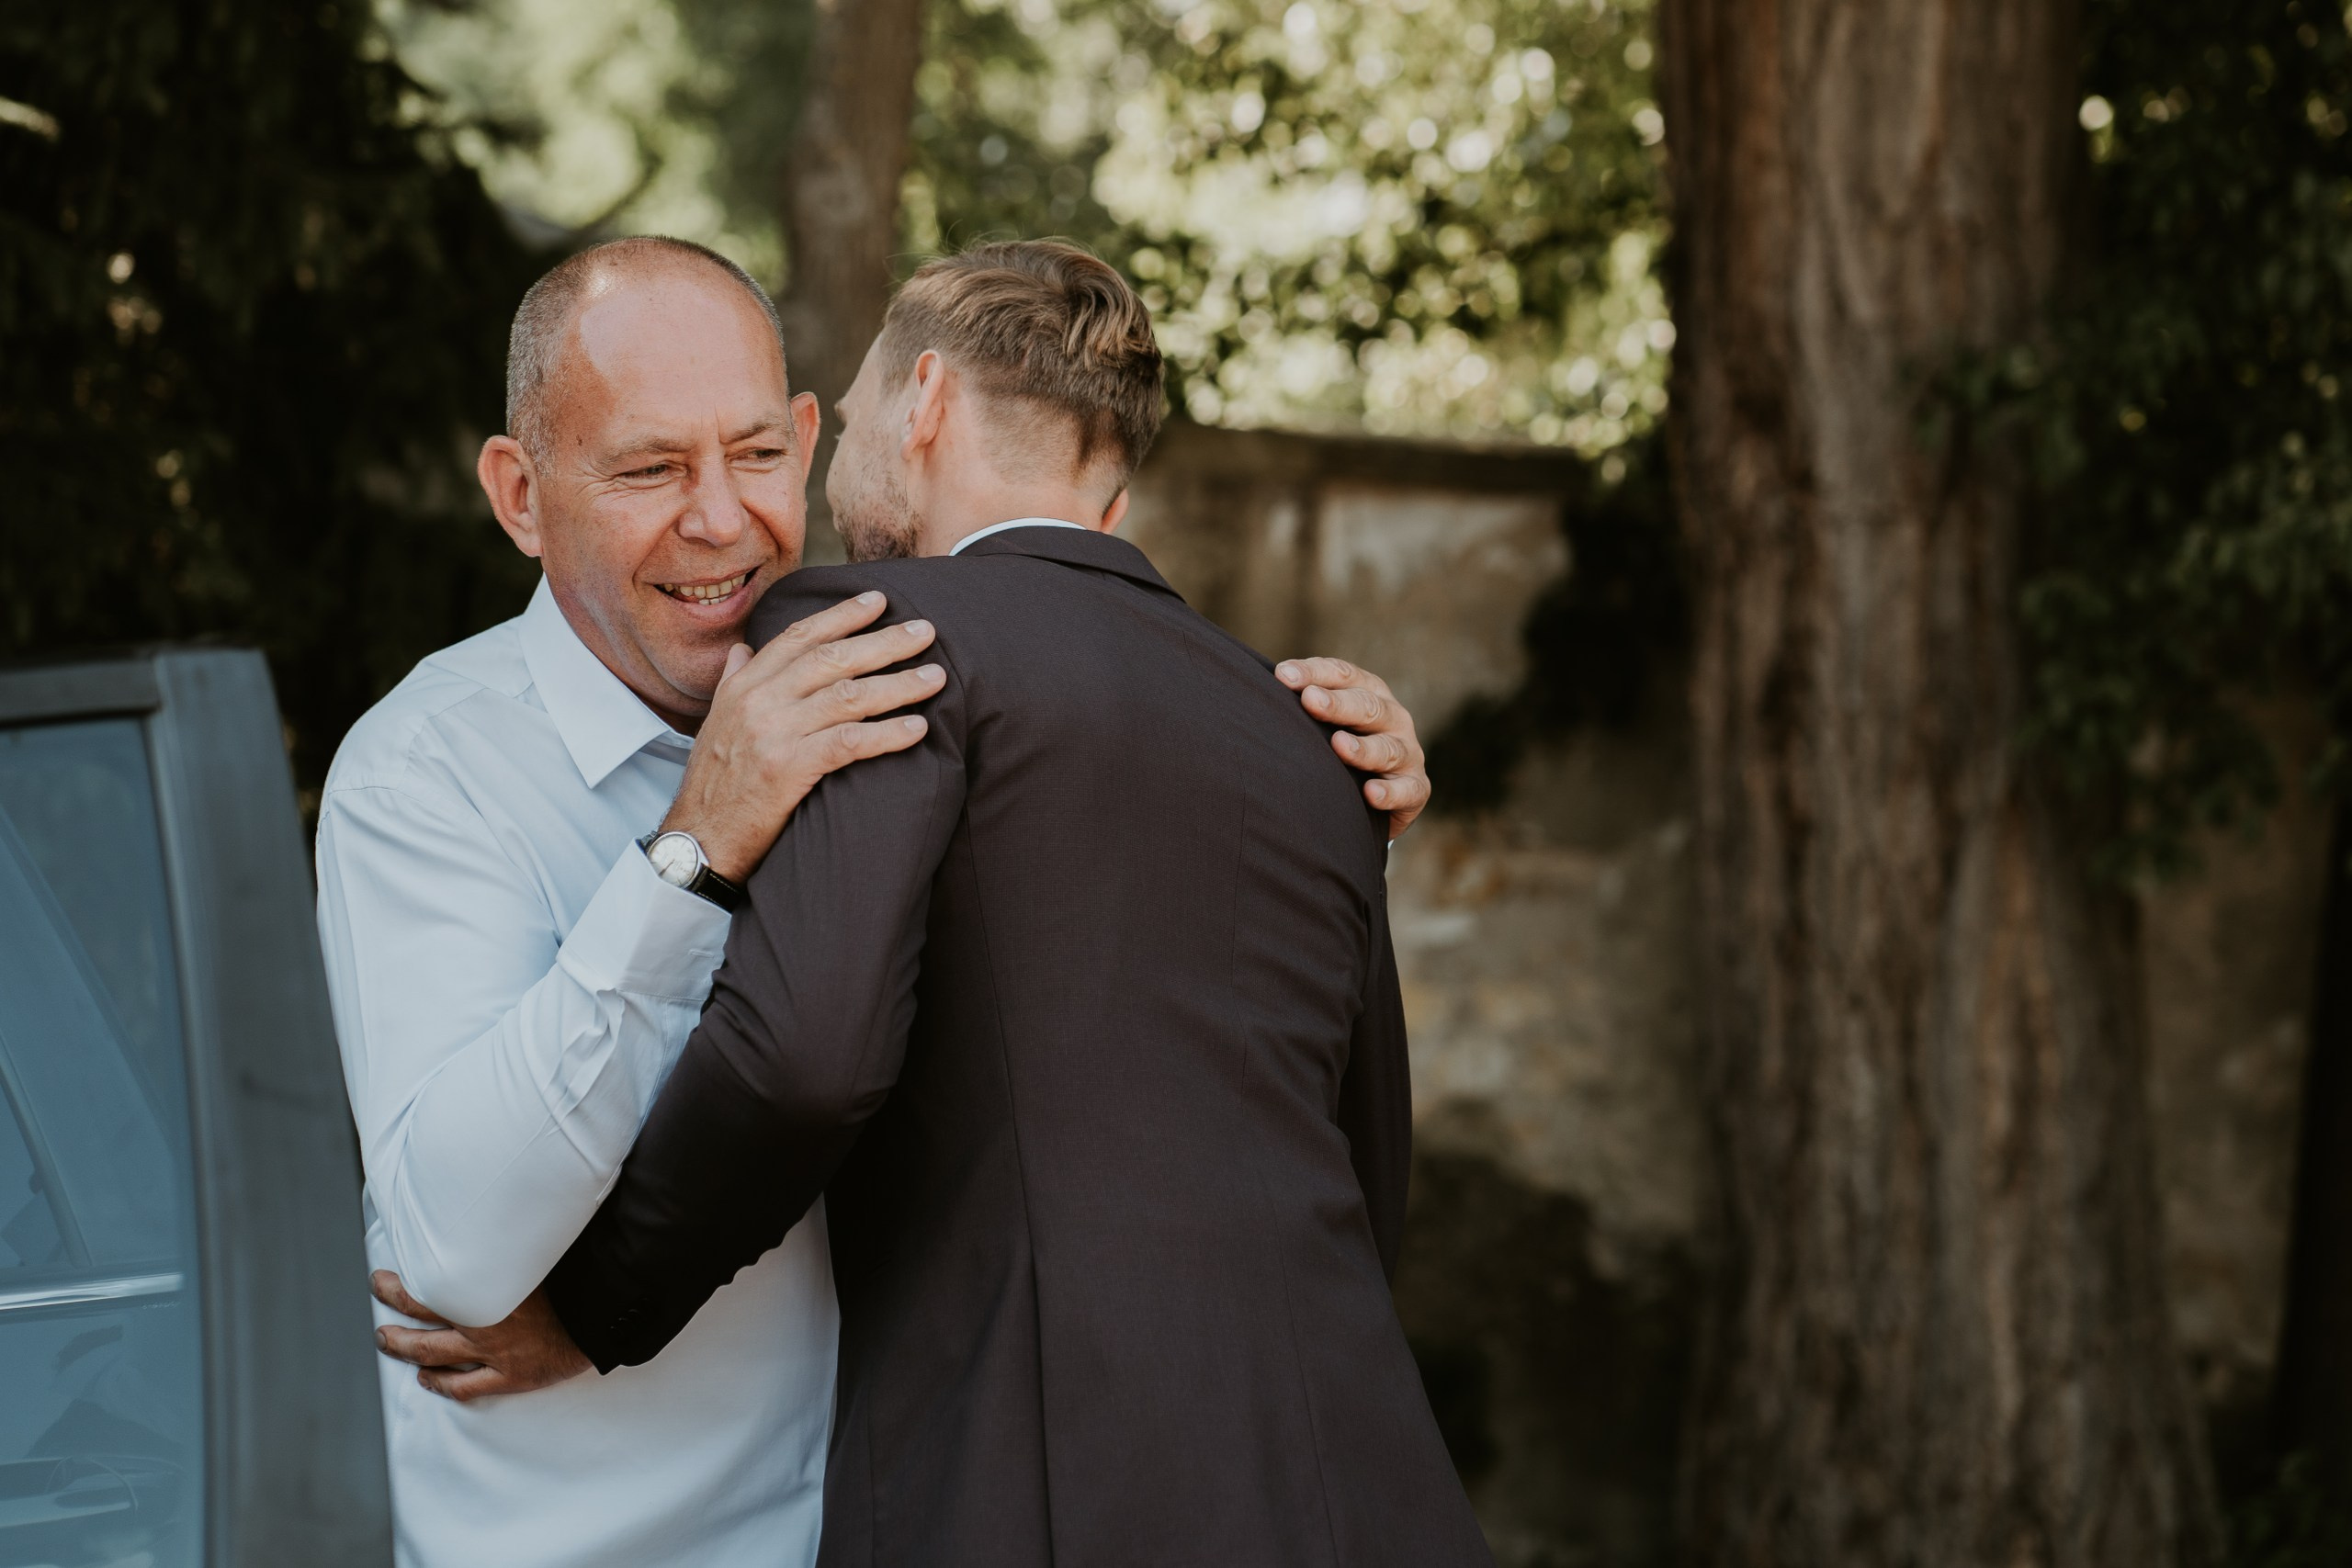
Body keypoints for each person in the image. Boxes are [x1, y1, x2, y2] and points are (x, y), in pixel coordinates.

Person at [326, 233, 1435, 1568]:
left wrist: (1341, 803)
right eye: (649, 469)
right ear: (519, 494)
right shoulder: (430, 765)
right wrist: (692, 847)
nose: (721, 517)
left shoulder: (903, 673)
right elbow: (449, 1255)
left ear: (817, 437)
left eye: (754, 454)